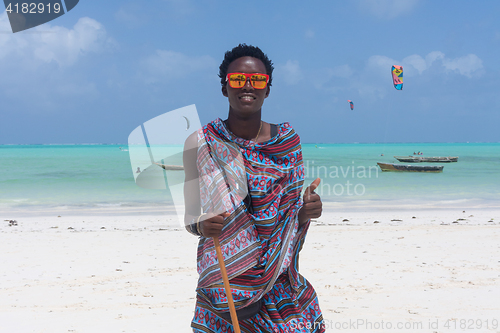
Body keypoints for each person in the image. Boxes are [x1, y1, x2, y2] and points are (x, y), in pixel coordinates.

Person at [183, 44, 325, 332]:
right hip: (225, 279)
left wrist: (309, 209)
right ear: (225, 88)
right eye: (237, 79)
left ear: (268, 89)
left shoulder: (287, 142)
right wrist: (202, 225)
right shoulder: (200, 142)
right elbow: (191, 217)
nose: (247, 86)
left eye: (257, 80)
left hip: (278, 278)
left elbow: (290, 216)